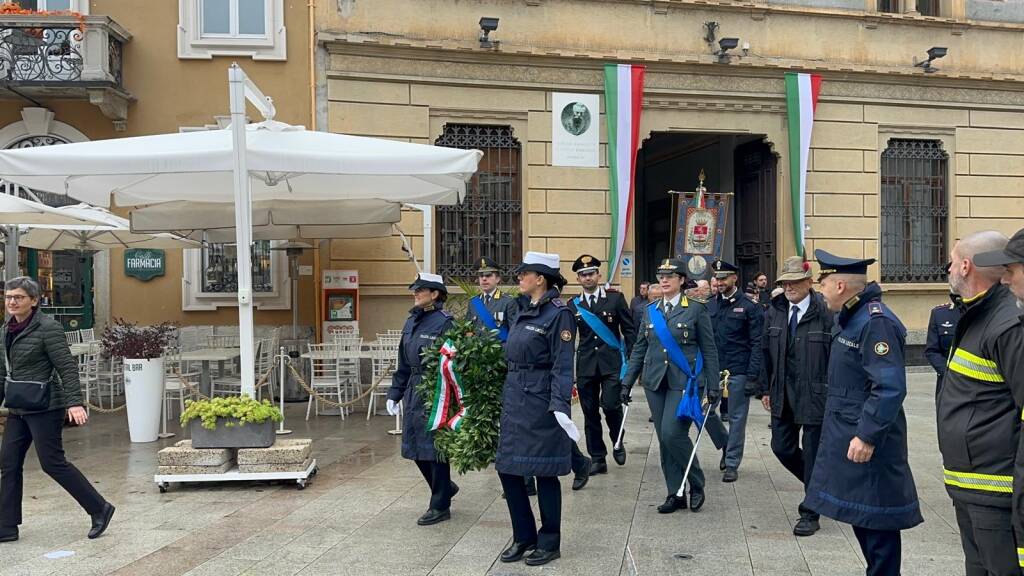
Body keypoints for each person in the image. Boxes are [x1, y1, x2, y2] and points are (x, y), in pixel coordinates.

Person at [804, 250, 922, 576]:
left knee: (877, 523)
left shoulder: (875, 322)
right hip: (849, 434)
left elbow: (889, 387)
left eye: (822, 282)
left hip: (869, 443)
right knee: (864, 517)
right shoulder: (852, 318)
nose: (819, 289)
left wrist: (867, 435)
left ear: (840, 285)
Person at [0, 276, 114, 543]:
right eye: (8, 297)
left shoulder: (48, 328)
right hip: (18, 406)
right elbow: (2, 372)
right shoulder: (6, 329)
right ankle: (6, 527)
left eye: (18, 297)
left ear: (34, 300)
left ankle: (99, 508)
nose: (12, 302)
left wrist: (74, 402)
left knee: (52, 463)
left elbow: (66, 366)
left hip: (46, 405)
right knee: (8, 464)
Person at [941, 231, 1024, 576]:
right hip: (969, 486)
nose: (947, 270)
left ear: (964, 265)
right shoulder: (977, 315)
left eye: (951, 262)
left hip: (995, 489)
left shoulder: (1007, 325)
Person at [496, 252, 578, 566]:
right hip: (516, 398)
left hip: (542, 402)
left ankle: (549, 541)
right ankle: (523, 536)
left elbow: (562, 364)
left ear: (540, 278)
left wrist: (559, 406)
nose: (518, 277)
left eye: (524, 273)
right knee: (508, 469)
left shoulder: (560, 314)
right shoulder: (521, 309)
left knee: (544, 472)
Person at [621, 258, 720, 514]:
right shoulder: (650, 309)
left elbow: (709, 349)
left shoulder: (696, 309)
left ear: (681, 280)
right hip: (655, 380)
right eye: (660, 276)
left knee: (671, 433)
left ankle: (696, 483)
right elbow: (640, 348)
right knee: (664, 441)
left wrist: (713, 384)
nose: (663, 280)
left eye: (670, 276)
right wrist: (627, 381)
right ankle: (674, 492)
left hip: (684, 381)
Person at [759, 257, 833, 537]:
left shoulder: (826, 312)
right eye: (784, 282)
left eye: (794, 282)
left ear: (809, 282)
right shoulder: (775, 311)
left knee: (813, 454)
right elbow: (765, 350)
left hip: (815, 395)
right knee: (782, 448)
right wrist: (765, 388)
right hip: (782, 393)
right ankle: (821, 488)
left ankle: (810, 511)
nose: (788, 287)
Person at [386, 272, 457, 526]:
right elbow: (403, 361)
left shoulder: (445, 323)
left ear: (435, 294)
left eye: (420, 290)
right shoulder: (412, 321)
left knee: (435, 449)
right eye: (415, 290)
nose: (415, 294)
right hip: (414, 389)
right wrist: (396, 392)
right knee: (415, 447)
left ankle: (440, 504)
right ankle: (445, 487)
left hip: (436, 389)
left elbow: (454, 363)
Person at [568, 254, 635, 474]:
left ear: (598, 275)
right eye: (583, 275)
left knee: (610, 405)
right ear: (578, 279)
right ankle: (598, 457)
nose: (587, 278)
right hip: (587, 365)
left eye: (591, 273)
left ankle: (618, 440)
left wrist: (634, 363)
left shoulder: (615, 299)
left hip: (612, 364)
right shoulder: (573, 305)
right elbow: (568, 339)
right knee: (589, 412)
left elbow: (629, 330)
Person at [708, 260, 763, 482]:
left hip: (739, 369)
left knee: (737, 417)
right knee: (703, 410)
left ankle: (731, 463)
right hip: (713, 370)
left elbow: (757, 343)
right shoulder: (709, 305)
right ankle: (724, 442)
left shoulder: (750, 307)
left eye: (723, 278)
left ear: (734, 278)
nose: (719, 282)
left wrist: (752, 376)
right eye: (717, 278)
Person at [465, 257, 517, 343]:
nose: (484, 279)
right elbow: (468, 330)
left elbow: (514, 333)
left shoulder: (508, 302)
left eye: (488, 275)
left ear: (497, 279)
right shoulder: (473, 302)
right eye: (481, 276)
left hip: (499, 353)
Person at [924, 293, 960, 397]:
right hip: (948, 384)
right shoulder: (940, 314)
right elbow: (932, 351)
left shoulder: (985, 312)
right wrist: (948, 374)